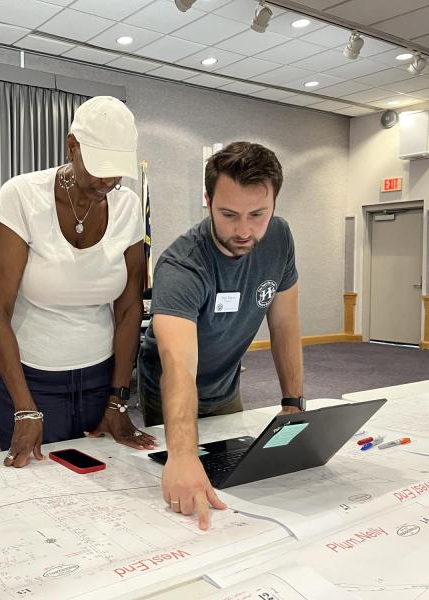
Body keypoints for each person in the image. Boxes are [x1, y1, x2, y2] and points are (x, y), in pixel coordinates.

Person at [0, 96, 157, 468]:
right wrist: (25, 409)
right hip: (24, 371)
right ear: (72, 146)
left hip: (98, 371)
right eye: (99, 168)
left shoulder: (127, 206)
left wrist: (118, 397)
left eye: (117, 171)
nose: (108, 181)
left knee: (99, 469)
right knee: (35, 475)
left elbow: (129, 308)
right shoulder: (22, 196)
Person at [137, 141, 303, 530]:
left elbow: (284, 323)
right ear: (208, 202)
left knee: (233, 481)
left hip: (226, 384)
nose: (243, 230)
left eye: (257, 214)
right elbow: (178, 365)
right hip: (170, 390)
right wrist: (181, 455)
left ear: (274, 205)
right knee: (182, 488)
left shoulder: (279, 238)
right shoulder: (181, 266)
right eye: (228, 215)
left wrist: (293, 402)